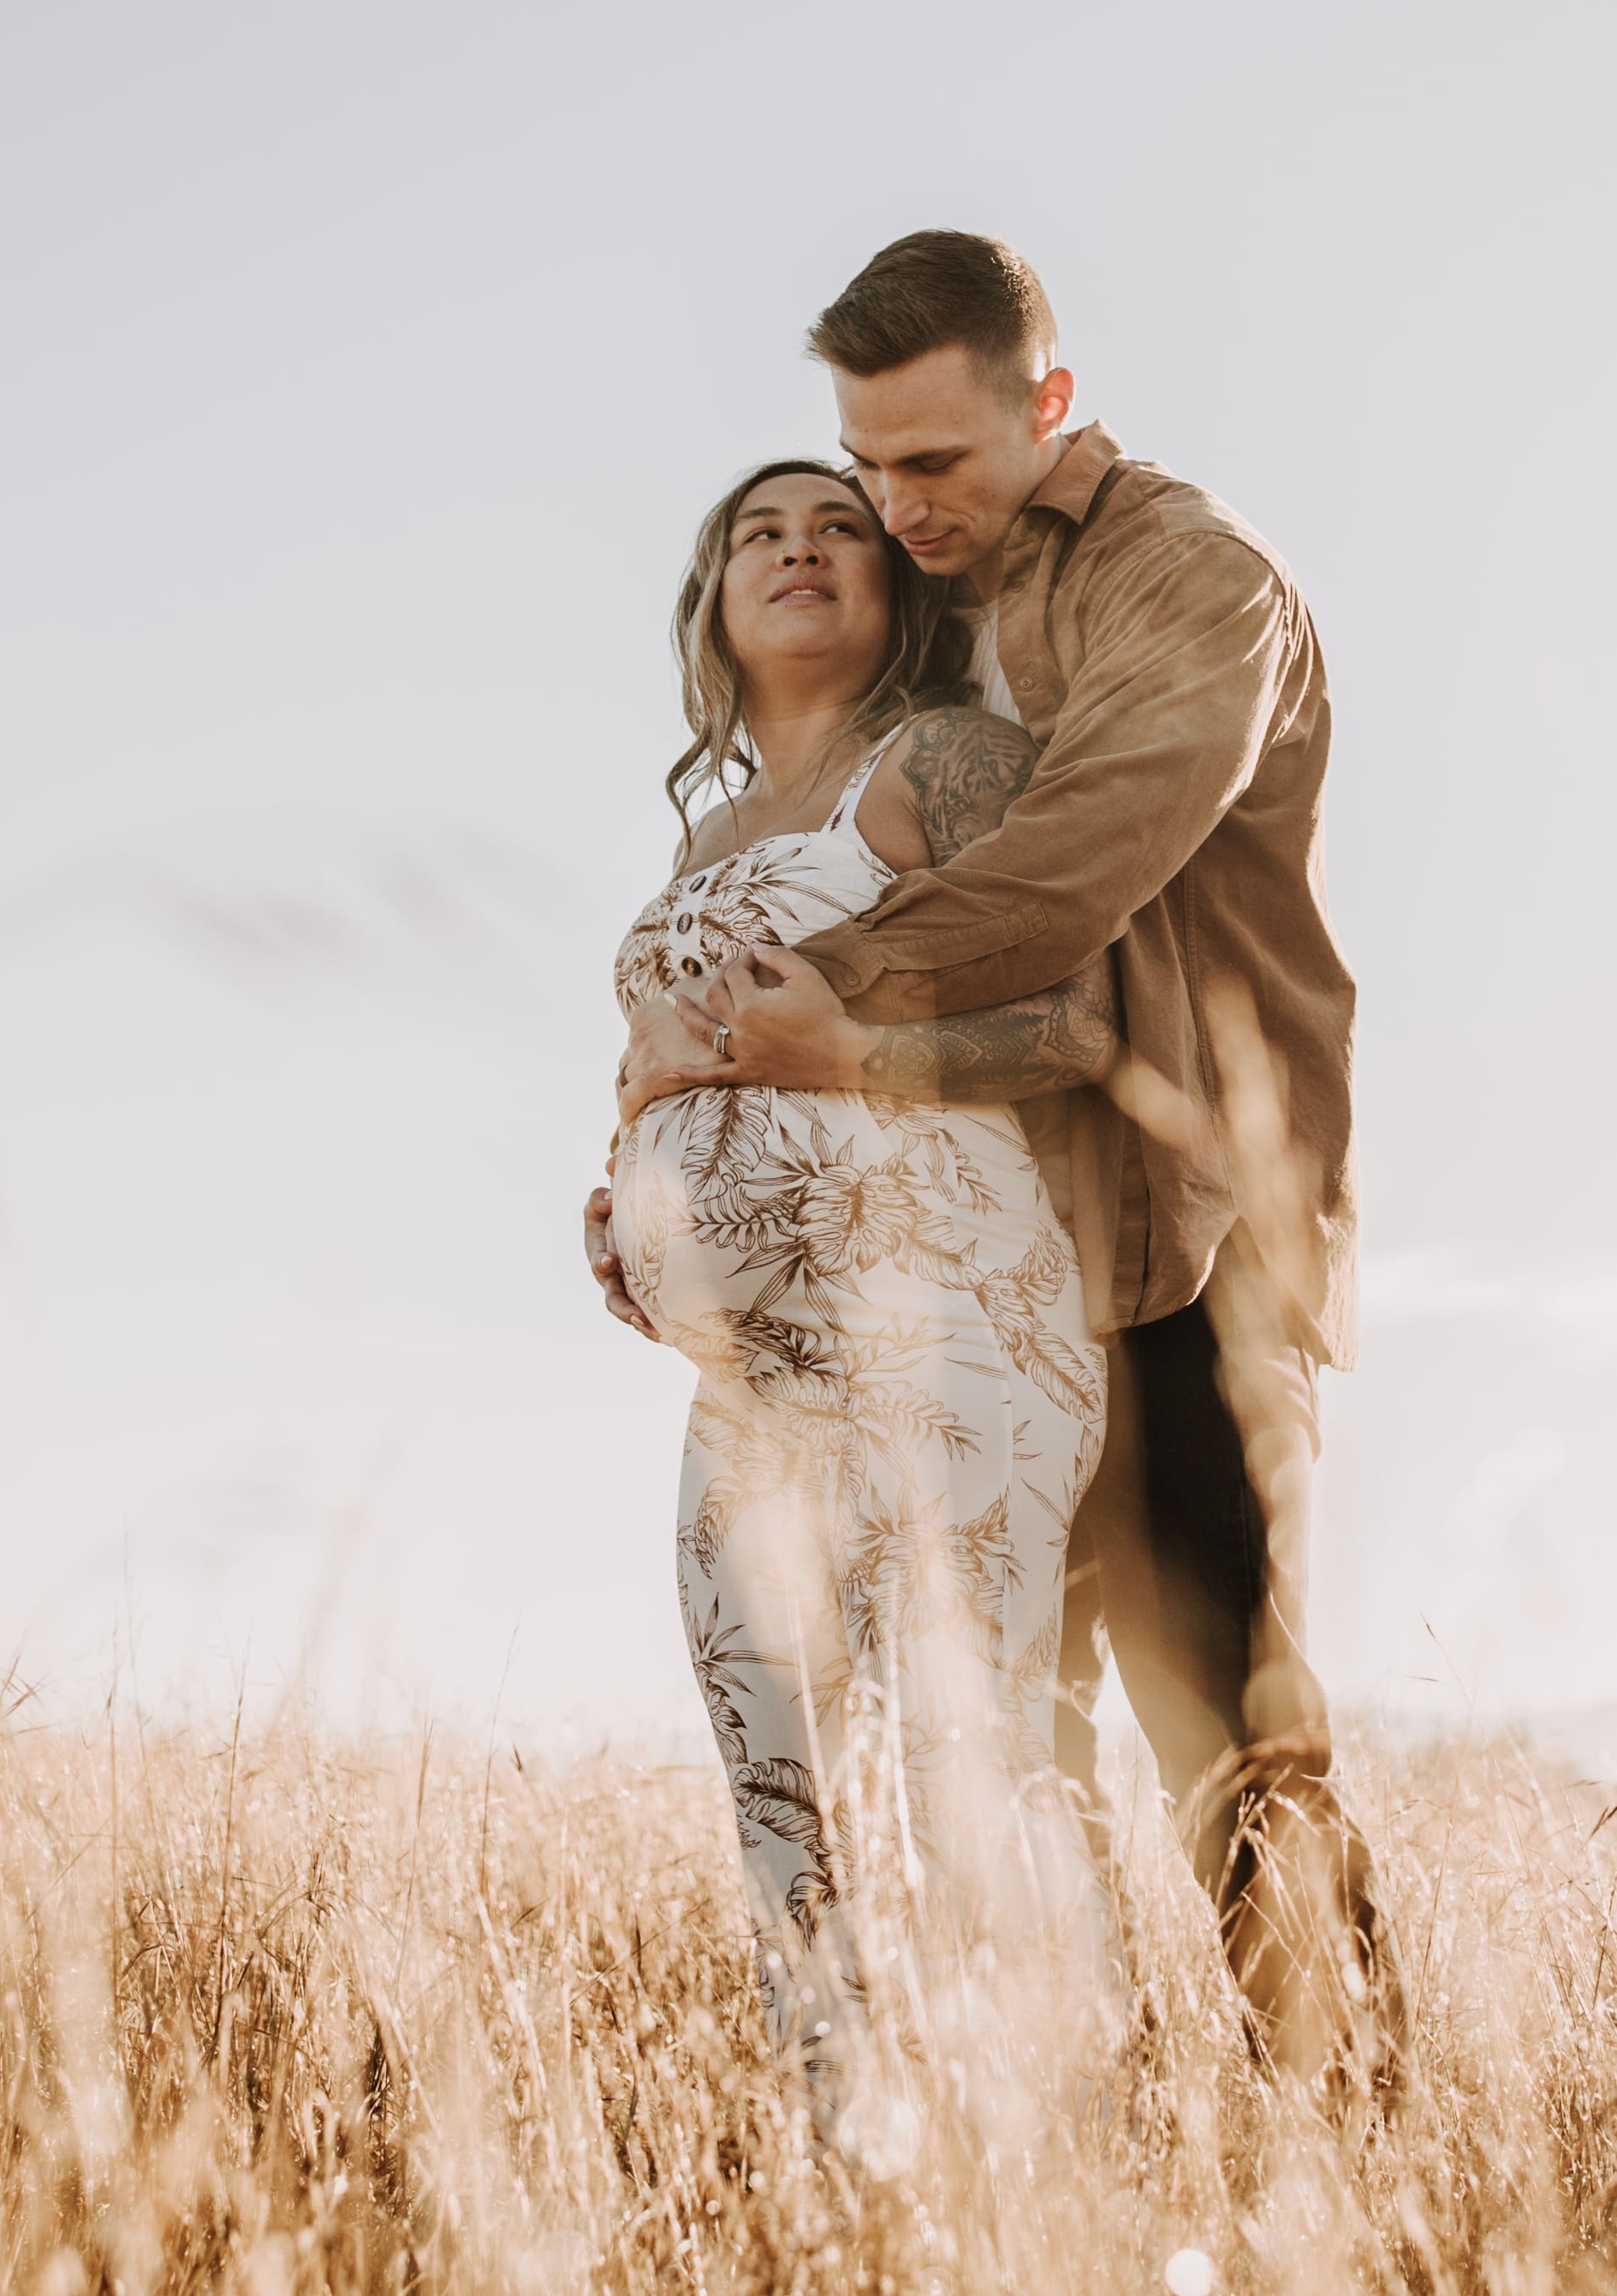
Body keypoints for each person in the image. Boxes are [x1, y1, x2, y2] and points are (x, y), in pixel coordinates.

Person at [605, 232, 1400, 2098]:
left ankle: (1357, 2162)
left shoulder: (1188, 585)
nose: (894, 507)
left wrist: (818, 1018)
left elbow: (1069, 880)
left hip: (1197, 1234)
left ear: (1048, 403)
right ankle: (1088, 2144)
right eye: (868, 467)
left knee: (1230, 1732)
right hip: (986, 1271)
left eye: (932, 466)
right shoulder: (956, 610)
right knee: (995, 1758)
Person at [588, 455, 1130, 2157]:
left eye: (839, 527)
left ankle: (1054, 2182)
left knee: (966, 1793)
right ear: (714, 602)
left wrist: (854, 1060)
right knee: (786, 1821)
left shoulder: (950, 763)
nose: (802, 549)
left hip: (950, 1336)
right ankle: (861, 2202)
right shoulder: (702, 839)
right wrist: (627, 1204)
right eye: (762, 531)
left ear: (897, 592)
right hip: (745, 1393)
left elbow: (1084, 1029)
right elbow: (670, 1077)